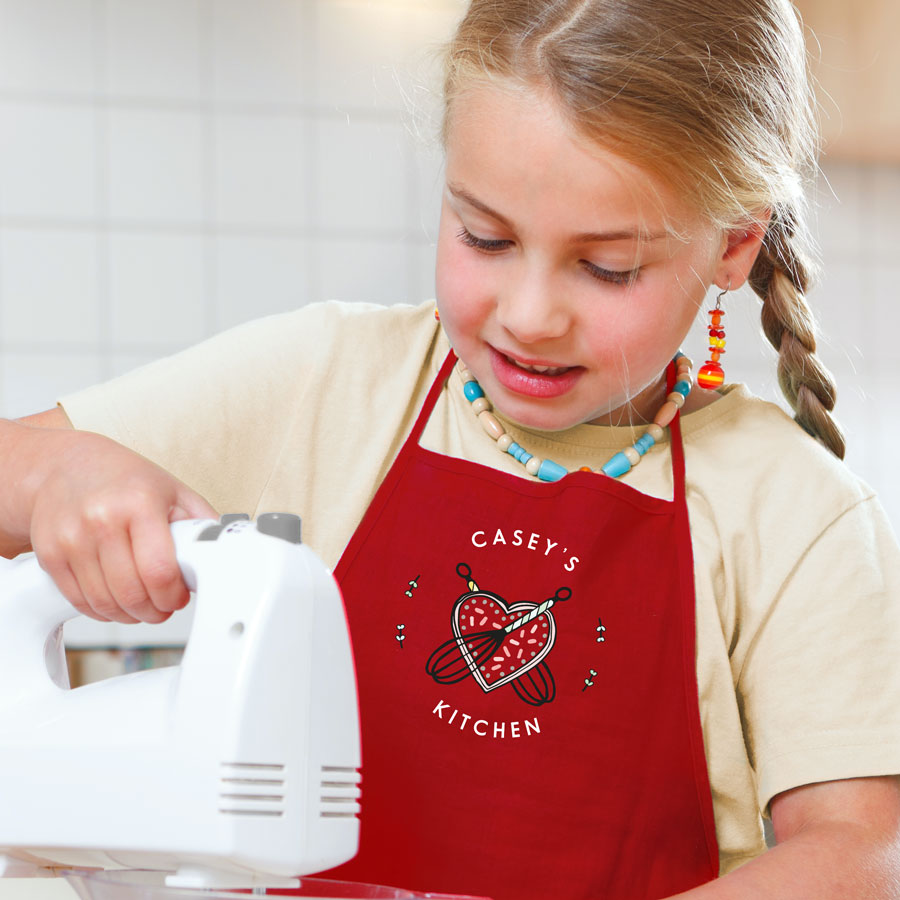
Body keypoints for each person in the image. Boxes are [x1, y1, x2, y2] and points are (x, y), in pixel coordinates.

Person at [2, 0, 899, 897]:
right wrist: (55, 471)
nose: (529, 315)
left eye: (607, 266)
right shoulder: (332, 381)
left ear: (736, 243)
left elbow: (863, 852)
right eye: (485, 237)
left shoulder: (798, 514)